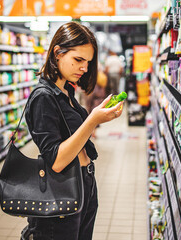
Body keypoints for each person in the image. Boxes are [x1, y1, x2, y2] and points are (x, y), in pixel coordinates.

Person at [22, 22, 124, 240]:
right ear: (58, 53)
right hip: (62, 191)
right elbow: (56, 161)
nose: (84, 68)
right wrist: (93, 120)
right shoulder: (43, 97)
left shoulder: (66, 90)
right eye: (78, 60)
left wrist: (98, 116)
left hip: (84, 182)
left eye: (88, 62)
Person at [85, 63, 108, 138]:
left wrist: (88, 103)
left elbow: (91, 95)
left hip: (94, 101)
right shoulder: (102, 78)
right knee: (96, 118)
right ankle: (94, 132)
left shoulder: (94, 80)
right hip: (100, 100)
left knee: (92, 117)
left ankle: (92, 132)